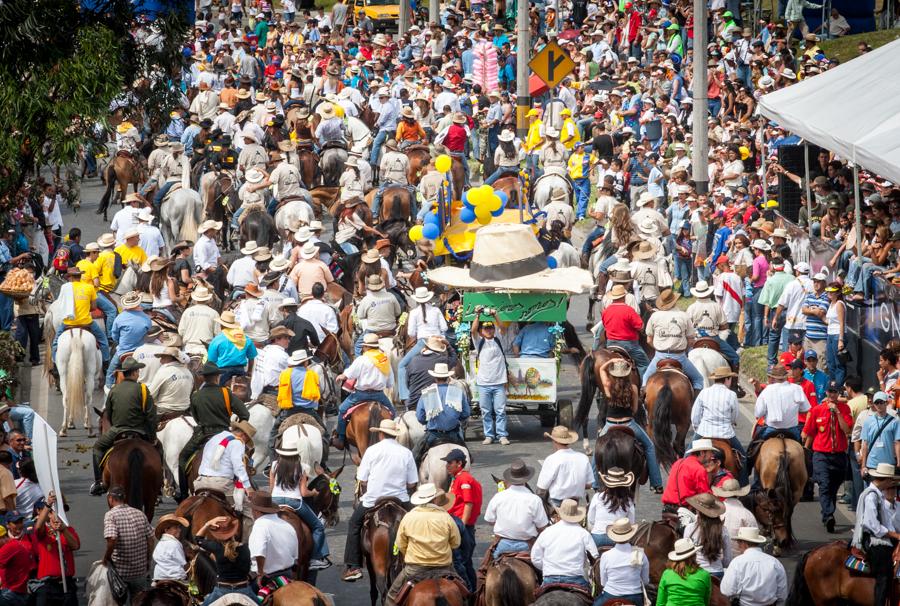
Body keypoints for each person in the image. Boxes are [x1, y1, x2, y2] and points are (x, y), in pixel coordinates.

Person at [342, 420, 418, 582]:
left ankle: (353, 566)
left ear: (380, 433)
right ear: (395, 435)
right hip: (401, 499)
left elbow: (362, 479)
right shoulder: (406, 453)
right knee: (419, 523)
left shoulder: (371, 451)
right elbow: (412, 483)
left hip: (373, 500)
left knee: (354, 524)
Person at [178, 363, 250, 501]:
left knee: (182, 458)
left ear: (204, 378)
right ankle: (248, 486)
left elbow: (196, 417)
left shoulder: (196, 395)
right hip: (225, 433)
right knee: (244, 458)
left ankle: (182, 494)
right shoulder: (226, 393)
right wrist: (236, 429)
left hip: (203, 434)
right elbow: (245, 414)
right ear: (217, 377)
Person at [386, 484, 462, 604]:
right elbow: (456, 543)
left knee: (391, 597)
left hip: (415, 569)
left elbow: (401, 544)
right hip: (444, 567)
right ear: (435, 499)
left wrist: (409, 553)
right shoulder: (445, 517)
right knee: (465, 593)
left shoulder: (409, 517)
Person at [91, 358, 156, 495]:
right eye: (137, 371)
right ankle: (158, 482)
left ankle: (99, 483)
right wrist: (152, 436)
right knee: (158, 450)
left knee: (97, 448)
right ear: (133, 373)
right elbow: (151, 415)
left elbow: (109, 413)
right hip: (140, 431)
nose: (138, 374)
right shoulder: (143, 389)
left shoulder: (114, 390)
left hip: (118, 430)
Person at [597, 359, 664, 491]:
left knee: (598, 448)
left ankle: (594, 482)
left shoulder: (608, 384)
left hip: (610, 424)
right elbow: (634, 410)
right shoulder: (632, 388)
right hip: (628, 423)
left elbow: (601, 370)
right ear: (627, 374)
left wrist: (611, 360)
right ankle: (657, 483)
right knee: (650, 446)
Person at [268, 433, 331, 571]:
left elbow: (271, 488)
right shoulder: (302, 467)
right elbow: (303, 493)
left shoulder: (274, 465)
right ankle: (315, 558)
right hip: (295, 502)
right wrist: (313, 493)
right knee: (318, 527)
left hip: (275, 501)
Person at [802, 380, 852, 533]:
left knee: (833, 487)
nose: (832, 394)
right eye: (829, 391)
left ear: (839, 394)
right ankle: (829, 515)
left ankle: (827, 512)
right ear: (826, 393)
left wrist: (837, 412)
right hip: (821, 454)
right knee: (823, 485)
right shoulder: (817, 410)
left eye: (835, 392)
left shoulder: (844, 408)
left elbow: (847, 430)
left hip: (838, 455)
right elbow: (808, 432)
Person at [333, 333, 396, 450]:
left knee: (342, 410)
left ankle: (341, 438)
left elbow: (350, 374)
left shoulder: (362, 359)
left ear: (366, 347)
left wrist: (342, 376)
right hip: (379, 395)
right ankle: (394, 436)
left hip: (360, 395)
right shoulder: (383, 359)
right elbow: (390, 383)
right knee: (393, 412)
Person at [851, 462, 900, 606]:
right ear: (885, 480)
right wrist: (896, 536)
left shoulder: (875, 495)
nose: (892, 487)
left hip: (879, 537)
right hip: (873, 540)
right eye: (891, 482)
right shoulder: (871, 496)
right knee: (884, 575)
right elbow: (874, 527)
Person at [690, 366, 747, 484]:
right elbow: (735, 416)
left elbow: (695, 416)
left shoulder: (704, 392)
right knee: (744, 458)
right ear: (727, 379)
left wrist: (697, 428)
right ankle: (743, 487)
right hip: (725, 433)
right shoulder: (731, 394)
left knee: (686, 458)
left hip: (704, 432)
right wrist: (729, 423)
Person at [642, 289, 705, 392]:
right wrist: (683, 348)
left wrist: (659, 347)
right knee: (698, 379)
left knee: (645, 379)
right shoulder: (684, 316)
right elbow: (690, 340)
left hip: (659, 356)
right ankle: (694, 407)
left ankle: (644, 407)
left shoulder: (655, 316)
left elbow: (649, 340)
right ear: (674, 301)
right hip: (679, 357)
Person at [483, 459, 548, 557]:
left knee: (485, 567)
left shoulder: (498, 496)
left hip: (502, 544)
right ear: (526, 479)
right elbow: (542, 526)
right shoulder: (535, 500)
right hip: (526, 545)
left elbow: (489, 520)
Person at [50, 267, 110, 370]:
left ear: (70, 278)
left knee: (55, 343)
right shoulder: (89, 287)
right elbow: (94, 307)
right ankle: (105, 364)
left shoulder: (65, 287)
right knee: (103, 340)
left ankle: (55, 366)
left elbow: (61, 304)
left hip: (68, 323)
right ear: (80, 276)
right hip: (86, 323)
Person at [531, 498, 598, 590]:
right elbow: (594, 556)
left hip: (550, 578)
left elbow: (535, 558)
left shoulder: (547, 532)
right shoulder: (583, 533)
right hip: (575, 578)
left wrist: (548, 567)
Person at [247, 491, 300, 602]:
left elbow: (259, 552)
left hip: (268, 578)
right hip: (288, 574)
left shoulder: (260, 525)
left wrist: (260, 573)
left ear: (256, 511)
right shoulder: (287, 525)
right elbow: (295, 556)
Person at [194, 420, 256, 514]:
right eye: (247, 440)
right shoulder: (237, 442)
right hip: (221, 484)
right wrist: (248, 488)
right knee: (249, 510)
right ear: (244, 435)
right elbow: (239, 468)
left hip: (200, 482)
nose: (245, 442)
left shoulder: (214, 437)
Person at [398, 287, 448, 404]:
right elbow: (444, 327)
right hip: (438, 342)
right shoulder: (436, 310)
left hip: (423, 343)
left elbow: (411, 333)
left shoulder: (414, 312)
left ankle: (405, 396)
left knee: (401, 365)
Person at [103, 485, 154, 598]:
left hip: (121, 571)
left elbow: (112, 539)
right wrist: (148, 559)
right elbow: (150, 539)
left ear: (110, 498)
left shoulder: (110, 515)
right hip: (140, 570)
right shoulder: (139, 513)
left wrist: (106, 557)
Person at [31, 491, 79, 606]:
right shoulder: (44, 532)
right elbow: (37, 528)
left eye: (64, 511)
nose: (62, 515)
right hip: (48, 586)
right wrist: (48, 504)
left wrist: (64, 530)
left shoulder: (69, 530)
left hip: (67, 585)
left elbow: (75, 545)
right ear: (49, 514)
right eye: (57, 512)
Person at [443, 449, 481, 592]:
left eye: (450, 462)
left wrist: (461, 527)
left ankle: (469, 591)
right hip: (459, 524)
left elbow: (468, 503)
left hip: (462, 527)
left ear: (459, 463)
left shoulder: (463, 479)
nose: (447, 466)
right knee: (466, 563)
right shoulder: (457, 477)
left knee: (460, 563)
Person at [720, 526, 788, 606]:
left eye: (739, 542)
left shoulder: (737, 562)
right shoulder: (775, 562)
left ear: (744, 543)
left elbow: (726, 591)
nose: (738, 546)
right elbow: (782, 594)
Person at [195, 515, 255, 604]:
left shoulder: (215, 547)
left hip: (221, 590)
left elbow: (198, 539)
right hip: (244, 589)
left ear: (218, 535)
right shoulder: (246, 548)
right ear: (234, 532)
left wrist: (207, 524)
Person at [471, 308, 509, 446]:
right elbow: (473, 330)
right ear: (482, 331)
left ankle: (502, 435)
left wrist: (495, 314)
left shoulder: (499, 339)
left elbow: (503, 328)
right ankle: (489, 435)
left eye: (491, 328)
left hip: (499, 382)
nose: (489, 330)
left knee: (500, 411)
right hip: (483, 383)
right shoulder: (479, 341)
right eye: (486, 328)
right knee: (486, 412)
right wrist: (477, 315)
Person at [415, 363, 469, 457]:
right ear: (448, 377)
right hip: (453, 434)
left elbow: (420, 417)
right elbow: (466, 414)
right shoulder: (458, 392)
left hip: (434, 434)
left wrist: (427, 421)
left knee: (415, 456)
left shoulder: (427, 393)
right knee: (468, 456)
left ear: (435, 378)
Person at [596, 518, 649, 605]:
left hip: (611, 594)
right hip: (634, 595)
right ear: (631, 535)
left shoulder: (606, 555)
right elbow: (645, 581)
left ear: (614, 537)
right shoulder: (639, 553)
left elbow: (603, 582)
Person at [599, 284, 650, 376]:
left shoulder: (606, 311)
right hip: (629, 345)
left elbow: (605, 325)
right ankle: (643, 387)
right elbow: (640, 327)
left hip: (610, 344)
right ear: (624, 297)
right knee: (644, 364)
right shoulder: (629, 310)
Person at [536, 425, 593, 506]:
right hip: (574, 504)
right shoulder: (583, 458)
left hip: (557, 503)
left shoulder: (552, 459)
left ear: (554, 441)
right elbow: (589, 484)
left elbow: (542, 487)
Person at [753, 364, 810, 442]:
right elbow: (805, 409)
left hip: (771, 429)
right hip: (792, 430)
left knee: (753, 446)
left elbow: (758, 413)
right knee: (804, 450)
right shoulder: (797, 388)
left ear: (773, 377)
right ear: (786, 376)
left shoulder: (767, 390)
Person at [683, 493, 731, 578]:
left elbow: (686, 555)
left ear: (698, 511)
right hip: (717, 572)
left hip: (696, 572)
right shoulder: (723, 530)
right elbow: (727, 558)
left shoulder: (689, 529)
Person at [662, 439, 717, 513]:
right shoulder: (699, 469)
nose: (712, 456)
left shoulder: (678, 462)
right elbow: (705, 496)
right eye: (710, 452)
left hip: (667, 508)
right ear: (702, 453)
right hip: (685, 510)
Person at [206, 310, 258, 385]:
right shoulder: (245, 338)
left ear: (221, 325)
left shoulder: (217, 340)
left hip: (223, 371)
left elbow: (211, 360)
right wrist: (249, 371)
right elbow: (251, 357)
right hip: (240, 371)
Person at [588, 467, 636, 547]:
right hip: (618, 538)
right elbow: (631, 523)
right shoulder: (628, 501)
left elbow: (591, 519)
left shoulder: (597, 497)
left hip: (598, 537)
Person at [656, 538, 712, 606]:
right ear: (694, 555)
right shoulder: (704, 575)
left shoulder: (667, 574)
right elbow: (706, 600)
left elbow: (660, 602)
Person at [711, 479, 757, 556]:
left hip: (718, 557)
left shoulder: (716, 512)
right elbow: (754, 537)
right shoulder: (747, 514)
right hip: (741, 557)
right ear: (739, 494)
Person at [859, 390, 900, 474]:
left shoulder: (895, 421)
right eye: (876, 402)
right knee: (871, 487)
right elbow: (865, 444)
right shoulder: (868, 421)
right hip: (871, 464)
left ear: (886, 403)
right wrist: (863, 466)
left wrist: (899, 461)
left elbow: (897, 442)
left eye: (881, 402)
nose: (879, 405)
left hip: (889, 464)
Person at [148, 346, 195, 418]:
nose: (160, 361)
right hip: (185, 410)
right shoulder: (188, 373)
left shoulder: (163, 371)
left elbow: (150, 395)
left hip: (164, 410)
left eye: (163, 357)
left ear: (170, 358)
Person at [151, 514, 190, 584]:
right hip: (175, 577)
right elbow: (183, 563)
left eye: (179, 527)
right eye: (176, 528)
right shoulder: (175, 543)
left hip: (159, 576)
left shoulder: (160, 543)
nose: (179, 530)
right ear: (166, 530)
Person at [0, 522, 31, 605]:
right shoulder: (14, 544)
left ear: (3, 537)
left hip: (10, 594)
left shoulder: (8, 547)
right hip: (17, 593)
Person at [824, 281, 847, 385]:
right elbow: (830, 322)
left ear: (838, 293)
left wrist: (841, 340)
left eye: (832, 292)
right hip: (830, 334)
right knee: (830, 362)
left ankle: (838, 387)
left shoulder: (839, 304)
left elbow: (841, 323)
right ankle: (832, 384)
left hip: (838, 335)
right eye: (828, 291)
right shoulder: (832, 304)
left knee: (839, 364)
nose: (829, 293)